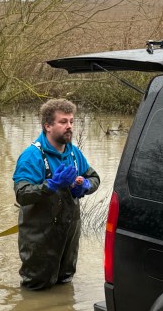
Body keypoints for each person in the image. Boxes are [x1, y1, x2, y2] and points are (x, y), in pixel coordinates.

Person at [12, 99, 100, 290]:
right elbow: (22, 194)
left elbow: (94, 178)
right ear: (48, 126)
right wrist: (50, 185)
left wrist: (84, 185)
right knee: (36, 288)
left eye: (71, 121)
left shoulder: (74, 153)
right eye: (63, 122)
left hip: (69, 232)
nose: (69, 126)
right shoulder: (32, 156)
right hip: (39, 236)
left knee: (65, 283)